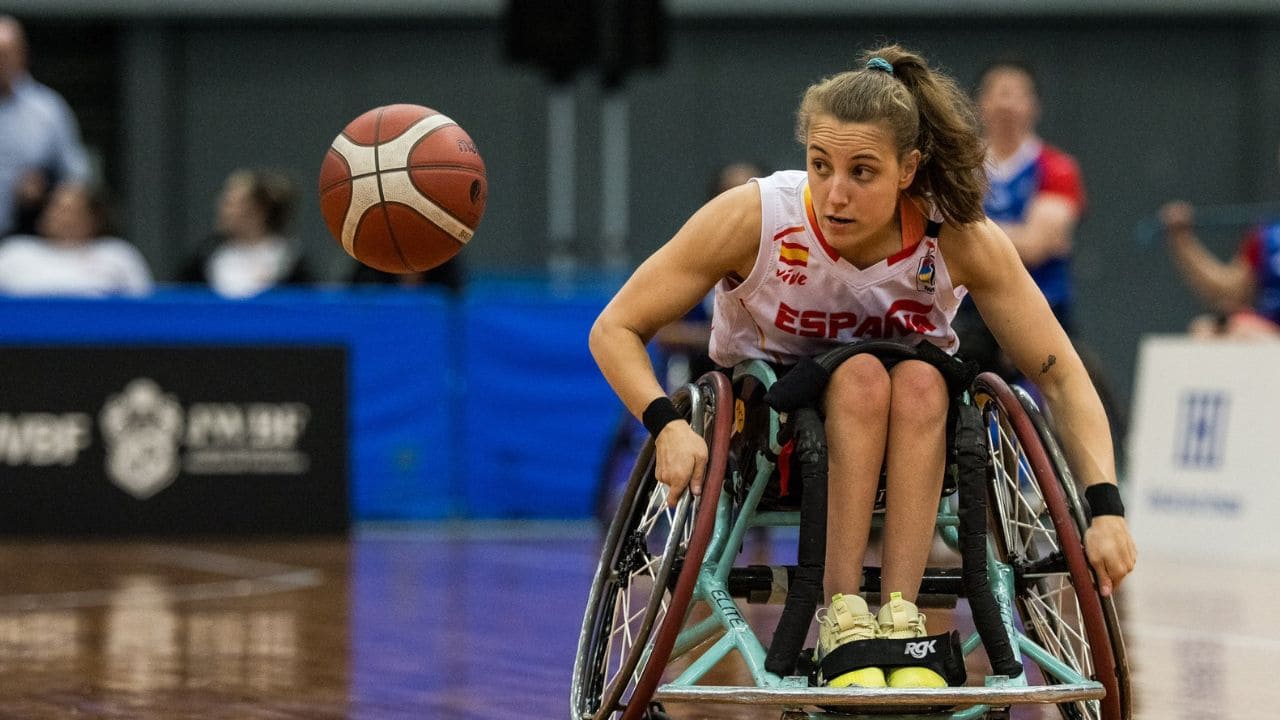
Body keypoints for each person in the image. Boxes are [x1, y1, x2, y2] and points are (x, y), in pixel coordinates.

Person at [588, 45, 1135, 690]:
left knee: (923, 378)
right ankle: (843, 615)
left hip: (915, 435)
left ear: (909, 169)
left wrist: (1105, 509)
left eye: (862, 172)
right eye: (820, 165)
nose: (835, 194)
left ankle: (901, 617)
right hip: (769, 433)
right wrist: (666, 424)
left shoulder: (957, 236)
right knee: (863, 377)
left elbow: (1061, 374)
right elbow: (614, 328)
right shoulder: (757, 216)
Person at [954, 57, 1086, 376]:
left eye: (1017, 94)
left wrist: (965, 231)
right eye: (998, 93)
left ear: (1034, 106)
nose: (1007, 104)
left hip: (1043, 312)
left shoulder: (1057, 168)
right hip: (970, 314)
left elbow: (1035, 245)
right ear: (979, 104)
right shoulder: (958, 168)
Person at [1159, 154, 1280, 339]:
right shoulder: (1267, 236)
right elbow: (1229, 292)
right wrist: (1182, 241)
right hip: (1266, 337)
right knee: (1207, 329)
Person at [0, 15, 91, 238]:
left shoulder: (47, 109)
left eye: (4, 54)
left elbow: (76, 176)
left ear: (22, 55)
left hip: (28, 235)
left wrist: (47, 189)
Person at [178, 168, 313, 298]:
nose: (222, 209)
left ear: (258, 211)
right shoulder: (204, 258)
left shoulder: (292, 263)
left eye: (230, 203)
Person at [0, 182, 152, 297]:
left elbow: (142, 307)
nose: (60, 217)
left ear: (94, 218)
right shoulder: (14, 252)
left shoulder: (118, 255)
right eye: (54, 208)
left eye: (69, 210)